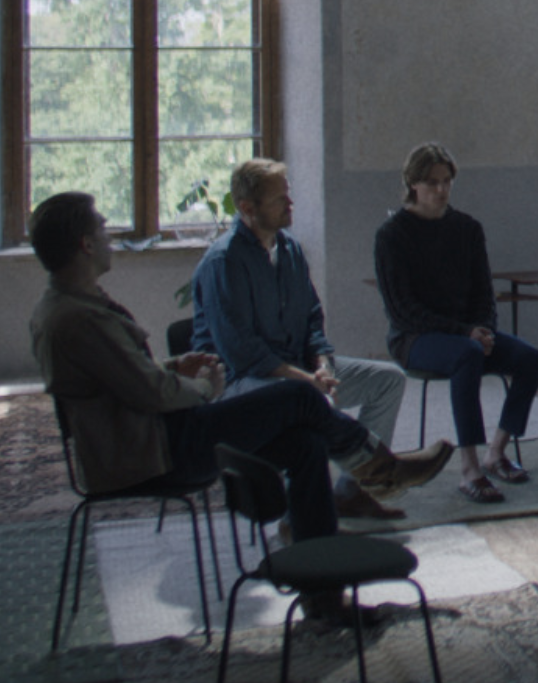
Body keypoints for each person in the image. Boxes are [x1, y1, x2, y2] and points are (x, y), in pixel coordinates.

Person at [27, 193, 448, 624]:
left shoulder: (71, 305)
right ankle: (383, 470)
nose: (109, 236)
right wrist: (203, 387)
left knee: (306, 444)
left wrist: (172, 366)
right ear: (85, 245)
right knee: (301, 397)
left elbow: (123, 380)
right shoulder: (78, 318)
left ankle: (324, 599)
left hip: (160, 437)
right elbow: (153, 394)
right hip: (156, 452)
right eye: (102, 227)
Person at [191, 158, 451, 519]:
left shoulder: (290, 249)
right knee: (305, 400)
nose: (290, 204)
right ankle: (379, 472)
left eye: (288, 195)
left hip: (296, 371)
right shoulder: (224, 261)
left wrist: (323, 366)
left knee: (388, 380)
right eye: (280, 199)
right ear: (248, 208)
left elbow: (312, 318)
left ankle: (352, 492)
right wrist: (305, 380)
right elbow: (242, 353)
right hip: (240, 384)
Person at [375, 142, 538, 505]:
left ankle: (496, 452)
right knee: (467, 354)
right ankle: (469, 467)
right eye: (432, 182)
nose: (441, 190)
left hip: (467, 334)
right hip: (415, 339)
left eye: (446, 181)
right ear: (413, 184)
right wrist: (466, 333)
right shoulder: (392, 235)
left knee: (530, 358)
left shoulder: (467, 228)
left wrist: (483, 329)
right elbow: (403, 310)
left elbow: (484, 293)